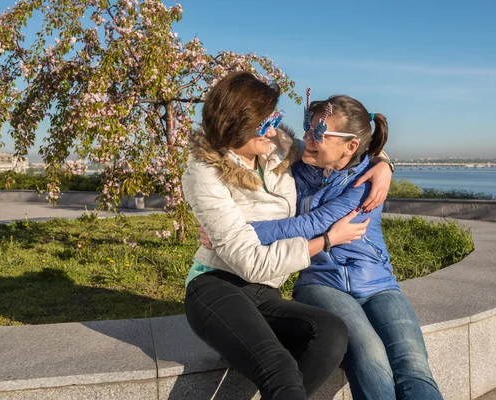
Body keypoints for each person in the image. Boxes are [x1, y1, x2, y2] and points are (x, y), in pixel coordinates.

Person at [181, 72, 393, 400]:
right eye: (266, 121)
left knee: (333, 333)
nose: (274, 127)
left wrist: (382, 162)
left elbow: (336, 151)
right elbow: (250, 263)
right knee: (279, 366)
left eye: (275, 118)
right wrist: (326, 240)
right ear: (238, 121)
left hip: (266, 291)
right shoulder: (204, 173)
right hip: (216, 284)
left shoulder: (277, 147)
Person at [243, 92, 445, 399]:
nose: (309, 138)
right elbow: (255, 137)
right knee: (371, 355)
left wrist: (242, 231)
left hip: (378, 284)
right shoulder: (299, 168)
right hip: (322, 282)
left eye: (319, 133)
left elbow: (309, 225)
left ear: (350, 146)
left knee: (414, 365)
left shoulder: (364, 184)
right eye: (308, 128)